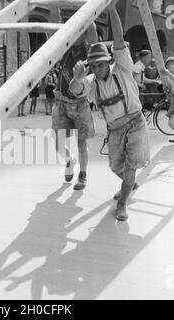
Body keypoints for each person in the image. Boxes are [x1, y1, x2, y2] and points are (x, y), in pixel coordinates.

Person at [70, 0, 150, 221]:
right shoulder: (92, 81)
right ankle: (129, 184)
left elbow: (117, 37)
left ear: (108, 61)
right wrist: (77, 78)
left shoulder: (122, 66)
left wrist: (112, 9)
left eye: (100, 64)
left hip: (135, 123)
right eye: (93, 66)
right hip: (114, 129)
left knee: (131, 165)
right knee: (116, 166)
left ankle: (122, 203)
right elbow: (75, 89)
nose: (96, 69)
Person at [52, 22, 97, 191]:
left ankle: (83, 175)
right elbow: (56, 23)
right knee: (58, 143)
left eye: (78, 31)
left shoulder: (89, 52)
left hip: (80, 104)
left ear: (84, 34)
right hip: (62, 102)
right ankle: (69, 161)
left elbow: (92, 30)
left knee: (81, 144)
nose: (73, 34)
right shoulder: (65, 49)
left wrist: (86, 12)